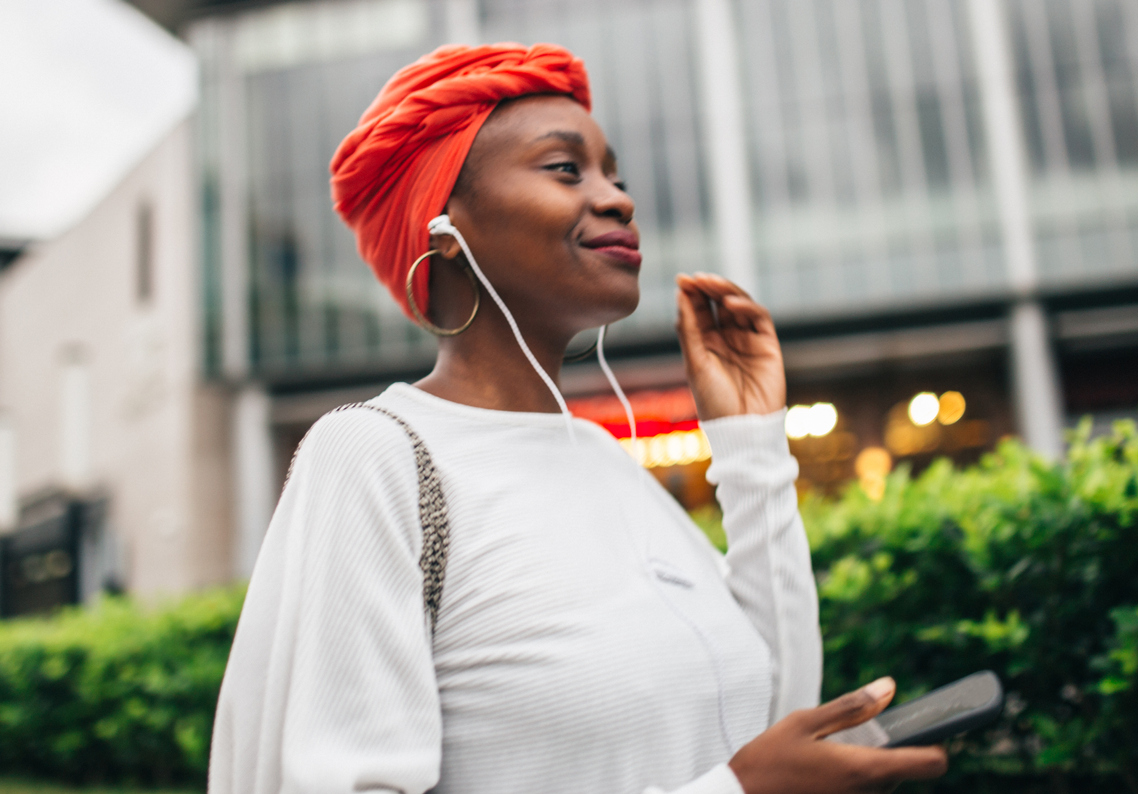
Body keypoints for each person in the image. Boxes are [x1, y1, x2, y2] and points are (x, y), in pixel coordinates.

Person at [208, 43, 947, 794]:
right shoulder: (374, 454)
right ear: (444, 230)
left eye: (615, 176)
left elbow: (768, 720)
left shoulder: (597, 456)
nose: (618, 199)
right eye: (565, 169)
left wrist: (750, 448)